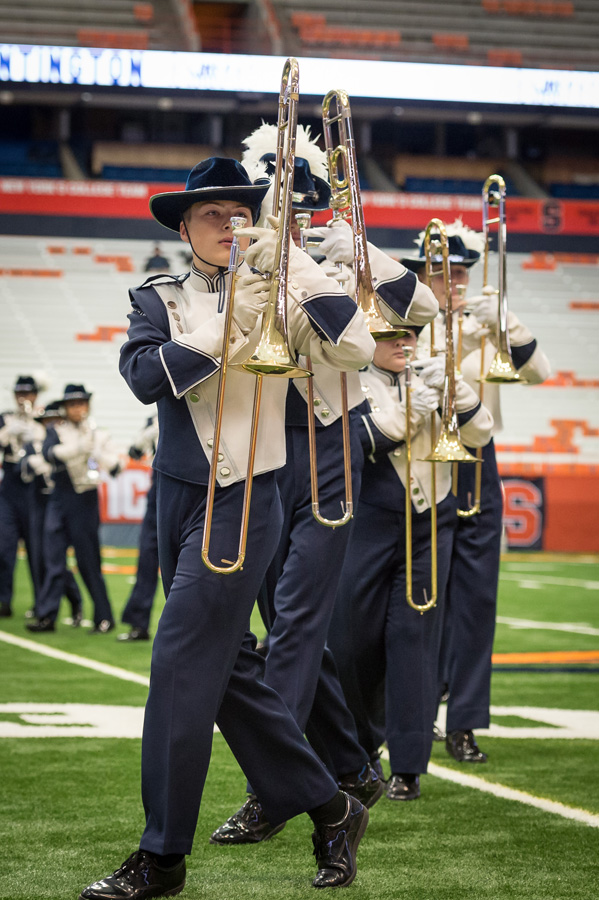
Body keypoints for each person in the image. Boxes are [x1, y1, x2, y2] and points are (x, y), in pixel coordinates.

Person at [78, 156, 375, 900]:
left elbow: (356, 349)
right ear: (184, 229)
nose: (229, 224)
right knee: (230, 670)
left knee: (179, 666)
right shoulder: (159, 297)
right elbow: (148, 378)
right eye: (211, 214)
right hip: (177, 496)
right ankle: (333, 806)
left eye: (241, 212)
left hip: (244, 495)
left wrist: (295, 267)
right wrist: (226, 323)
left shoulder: (282, 290)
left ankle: (163, 857)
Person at [210, 124, 440, 846]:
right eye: (287, 206)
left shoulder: (340, 268)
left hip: (330, 449)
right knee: (283, 627)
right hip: (261, 447)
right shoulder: (239, 266)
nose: (296, 219)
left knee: (298, 626)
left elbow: (422, 310)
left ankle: (271, 789)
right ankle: (348, 762)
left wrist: (349, 246)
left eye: (306, 206)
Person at [402, 219, 550, 762]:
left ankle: (464, 721)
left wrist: (504, 320)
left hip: (478, 462)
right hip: (423, 464)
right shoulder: (407, 321)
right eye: (442, 273)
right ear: (423, 275)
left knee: (477, 601)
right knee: (423, 600)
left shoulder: (486, 325)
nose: (454, 282)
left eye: (461, 273)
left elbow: (539, 371)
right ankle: (415, 720)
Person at [328, 324, 493, 800]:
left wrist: (455, 390)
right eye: (391, 336)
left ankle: (409, 764)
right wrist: (408, 413)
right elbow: (355, 443)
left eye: (411, 335)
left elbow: (480, 433)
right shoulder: (349, 381)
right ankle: (360, 751)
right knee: (352, 644)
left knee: (415, 640)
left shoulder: (431, 380)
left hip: (429, 525)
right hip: (370, 523)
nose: (404, 344)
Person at [26, 384, 121, 634]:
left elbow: (115, 467)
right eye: (71, 404)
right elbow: (50, 454)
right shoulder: (57, 431)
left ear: (87, 406)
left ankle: (104, 617)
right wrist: (79, 449)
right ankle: (47, 616)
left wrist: (98, 453)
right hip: (60, 498)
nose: (77, 408)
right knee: (53, 559)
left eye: (80, 403)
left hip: (85, 500)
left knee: (89, 562)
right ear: (65, 408)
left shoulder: (99, 434)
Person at [21, 400, 83, 624]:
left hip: (59, 503)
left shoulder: (62, 440)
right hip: (39, 505)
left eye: (55, 420)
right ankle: (44, 606)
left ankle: (65, 604)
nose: (52, 424)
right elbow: (23, 471)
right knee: (41, 558)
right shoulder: (32, 444)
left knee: (54, 560)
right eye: (48, 421)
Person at [0, 375, 46, 617]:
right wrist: (10, 430)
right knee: (4, 546)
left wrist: (35, 427)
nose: (23, 398)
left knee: (36, 549)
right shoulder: (6, 418)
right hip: (9, 487)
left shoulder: (43, 417)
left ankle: (41, 603)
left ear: (36, 395)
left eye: (28, 393)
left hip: (33, 489)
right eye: (20, 393)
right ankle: (3, 601)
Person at [118, 415, 159, 642]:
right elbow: (135, 450)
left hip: (195, 485)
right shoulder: (152, 420)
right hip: (161, 484)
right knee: (147, 557)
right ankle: (138, 622)